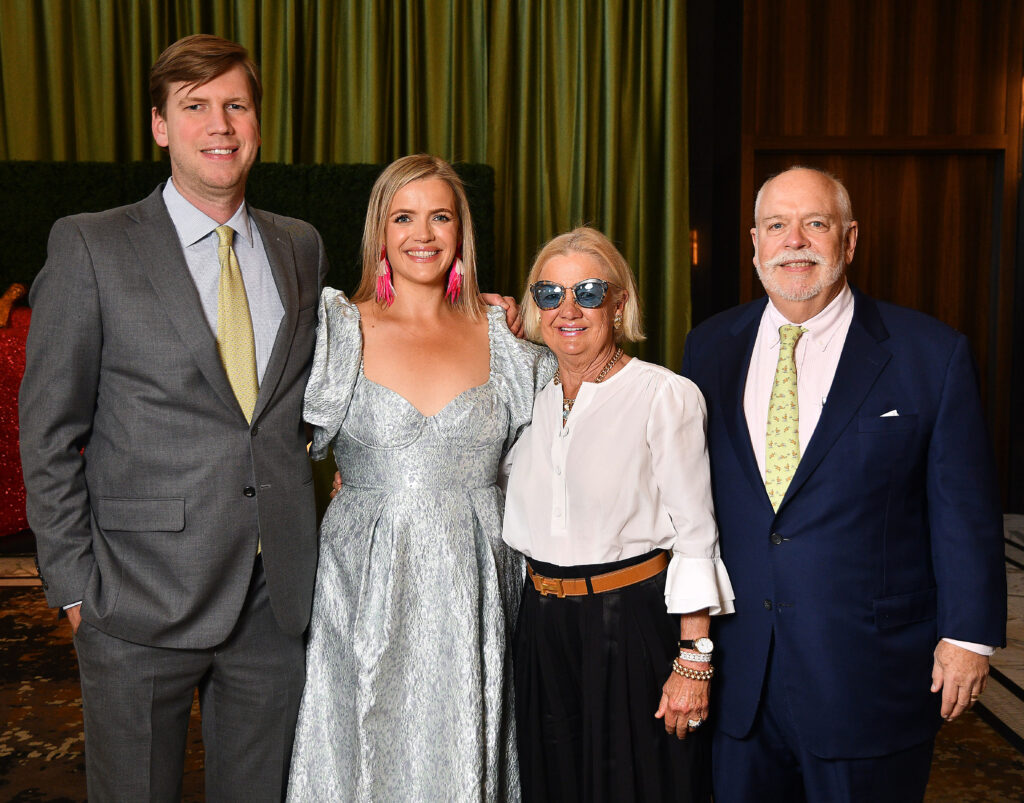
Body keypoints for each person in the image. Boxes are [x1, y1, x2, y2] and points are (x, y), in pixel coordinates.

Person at [18, 35, 325, 800]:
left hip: (273, 600)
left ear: (257, 122)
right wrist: (76, 589)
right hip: (136, 599)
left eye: (236, 105)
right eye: (195, 106)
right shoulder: (90, 246)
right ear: (160, 125)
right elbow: (49, 432)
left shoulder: (300, 247)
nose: (219, 124)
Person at [680, 166, 1007, 802]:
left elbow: (964, 510)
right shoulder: (709, 348)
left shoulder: (930, 353)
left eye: (815, 224)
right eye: (777, 225)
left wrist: (968, 637)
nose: (794, 241)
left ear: (849, 239)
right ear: (755, 242)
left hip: (869, 675)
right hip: (742, 676)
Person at [286, 154, 554, 801]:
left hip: (476, 582)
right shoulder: (337, 330)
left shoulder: (507, 337)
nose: (424, 234)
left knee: (469, 741)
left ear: (462, 230)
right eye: (404, 217)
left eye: (441, 217)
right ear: (380, 231)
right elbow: (272, 444)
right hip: (367, 583)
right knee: (365, 744)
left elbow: (553, 463)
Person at [501, 227, 735, 802]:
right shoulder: (525, 399)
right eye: (550, 294)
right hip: (540, 629)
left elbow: (696, 536)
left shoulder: (664, 395)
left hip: (629, 625)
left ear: (619, 303)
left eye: (588, 291)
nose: (568, 310)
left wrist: (693, 659)